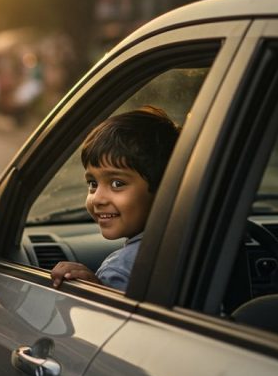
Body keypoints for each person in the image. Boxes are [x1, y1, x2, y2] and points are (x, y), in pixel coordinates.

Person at [50, 105, 180, 291]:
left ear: (164, 189)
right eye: (93, 183)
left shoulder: (120, 270)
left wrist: (95, 292)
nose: (97, 199)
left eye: (117, 184)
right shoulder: (188, 247)